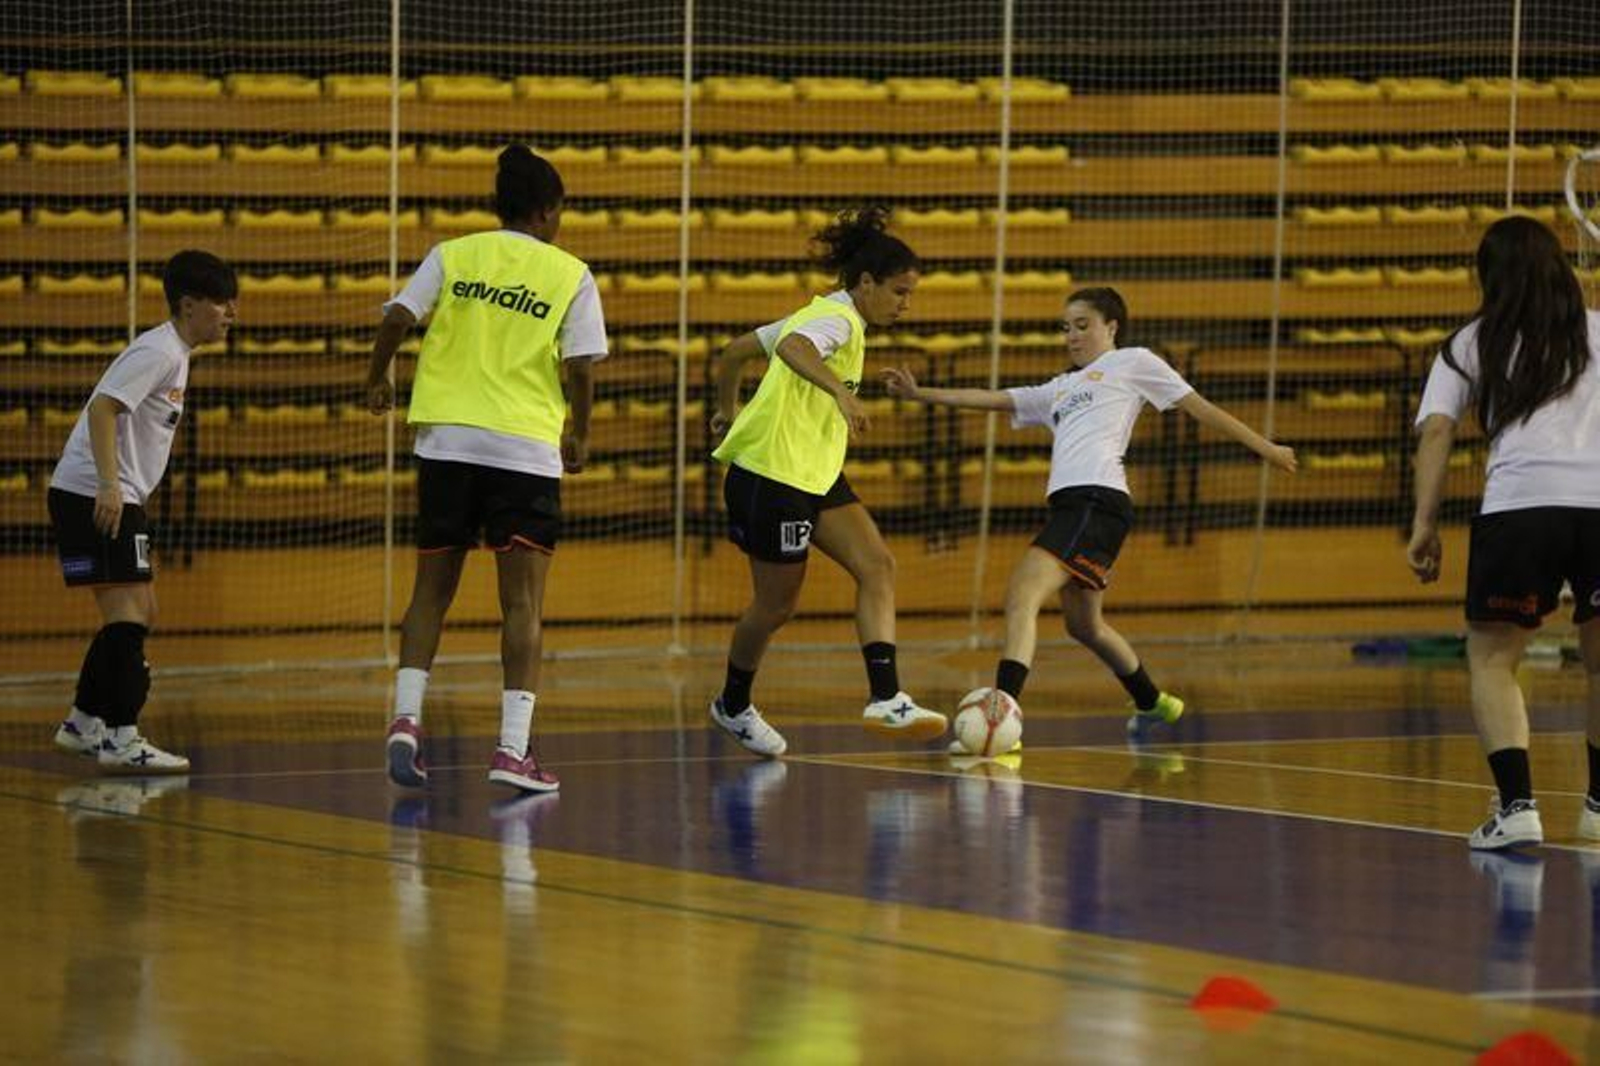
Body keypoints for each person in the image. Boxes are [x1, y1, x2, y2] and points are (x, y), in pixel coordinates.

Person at [884, 286, 1296, 751]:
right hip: (1075, 506)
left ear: (1111, 327)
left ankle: (1002, 719)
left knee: (1022, 594)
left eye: (1083, 325)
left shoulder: (1134, 362)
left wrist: (1267, 448)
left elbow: (1202, 409)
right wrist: (921, 394)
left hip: (1096, 499)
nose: (1072, 336)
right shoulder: (1060, 388)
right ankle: (1154, 701)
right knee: (1085, 627)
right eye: (1065, 328)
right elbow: (993, 398)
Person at [366, 145, 607, 794]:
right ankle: (511, 751)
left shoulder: (455, 254)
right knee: (521, 604)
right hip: (524, 449)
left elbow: (396, 317)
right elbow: (581, 366)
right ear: (549, 210)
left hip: (445, 443)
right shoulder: (570, 272)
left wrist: (379, 376)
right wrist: (579, 433)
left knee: (430, 593)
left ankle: (406, 720)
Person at [707, 206, 947, 757]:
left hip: (811, 474)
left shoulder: (826, 316)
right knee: (775, 607)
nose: (906, 303)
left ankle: (886, 697)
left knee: (877, 564)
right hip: (771, 476)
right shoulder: (834, 321)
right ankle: (733, 704)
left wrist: (727, 409)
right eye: (900, 291)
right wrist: (842, 392)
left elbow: (734, 353)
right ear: (866, 284)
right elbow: (795, 349)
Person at [1407, 215, 1600, 850]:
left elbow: (1437, 430)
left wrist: (1424, 524)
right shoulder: (1598, 331)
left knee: (1492, 659)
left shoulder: (1470, 342)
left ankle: (1516, 806)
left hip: (1521, 509)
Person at [48, 249, 238, 773]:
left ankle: (84, 723)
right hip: (97, 494)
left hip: (104, 492)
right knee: (129, 614)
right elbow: (104, 408)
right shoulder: (158, 351)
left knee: (139, 611)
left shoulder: (174, 354)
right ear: (189, 304)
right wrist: (110, 486)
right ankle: (121, 737)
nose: (230, 313)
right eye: (221, 303)